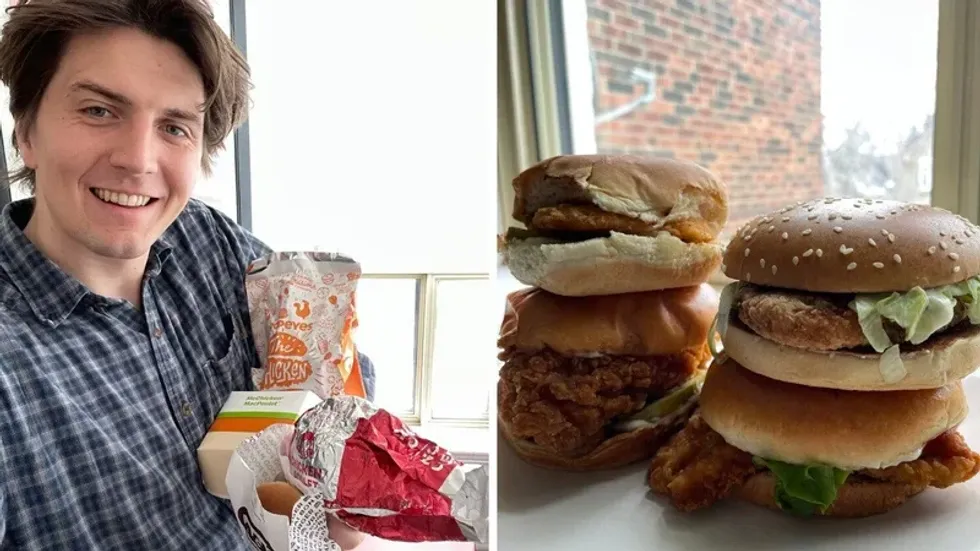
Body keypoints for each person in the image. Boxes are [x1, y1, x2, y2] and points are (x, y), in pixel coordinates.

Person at [0, 1, 367, 549]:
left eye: (174, 127)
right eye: (99, 110)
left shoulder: (208, 240)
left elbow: (338, 372)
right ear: (26, 132)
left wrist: (333, 480)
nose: (138, 160)